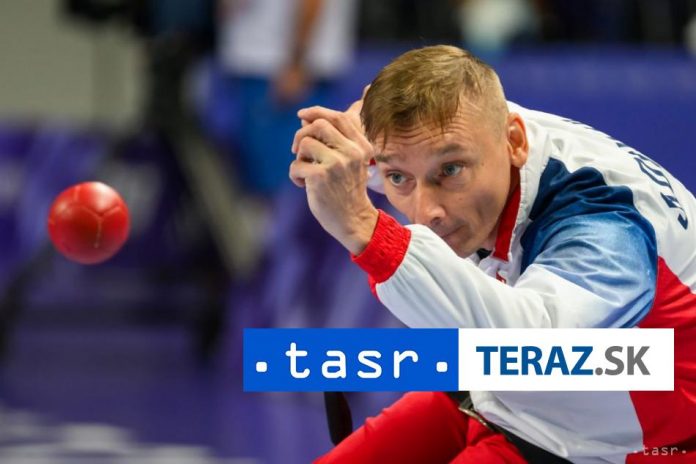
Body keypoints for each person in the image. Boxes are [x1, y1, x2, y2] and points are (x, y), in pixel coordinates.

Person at [289, 45, 696, 463]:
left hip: (617, 446)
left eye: (449, 171)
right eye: (398, 177)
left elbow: (533, 354)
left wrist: (364, 227)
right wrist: (350, 137)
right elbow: (419, 124)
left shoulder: (605, 230)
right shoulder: (473, 131)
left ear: (514, 141)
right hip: (501, 400)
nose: (426, 212)